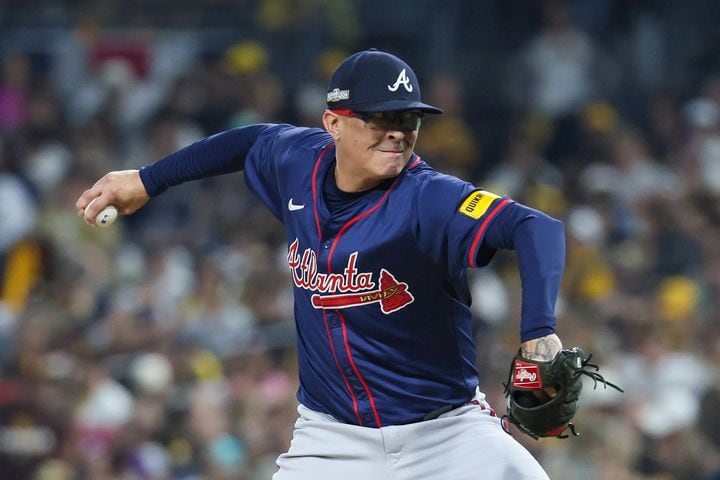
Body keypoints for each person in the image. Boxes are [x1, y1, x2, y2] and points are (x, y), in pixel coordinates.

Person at [76, 49, 565, 479]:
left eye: (409, 119)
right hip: (331, 442)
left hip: (446, 435)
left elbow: (535, 227)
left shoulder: (429, 198)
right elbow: (247, 141)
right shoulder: (298, 161)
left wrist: (538, 330)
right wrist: (147, 179)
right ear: (333, 123)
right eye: (379, 117)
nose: (397, 133)